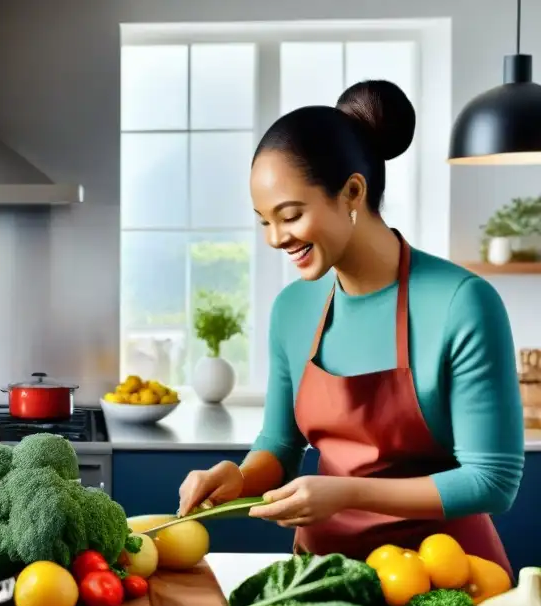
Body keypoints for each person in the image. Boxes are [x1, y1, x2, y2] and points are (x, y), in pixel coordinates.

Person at [178, 80, 524, 576]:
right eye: (264, 222)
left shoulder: (461, 303)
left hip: (447, 580)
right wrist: (240, 475)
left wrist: (347, 493)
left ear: (353, 192)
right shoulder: (293, 309)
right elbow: (280, 445)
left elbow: (493, 481)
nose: (277, 239)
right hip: (325, 579)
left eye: (290, 215)